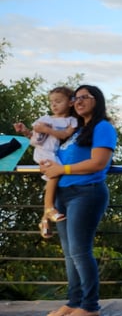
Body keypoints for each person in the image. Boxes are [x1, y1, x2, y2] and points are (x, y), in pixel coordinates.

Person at [39, 85, 117, 316]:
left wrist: (63, 168)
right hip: (64, 193)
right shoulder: (75, 130)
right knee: (69, 253)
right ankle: (74, 302)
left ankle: (90, 304)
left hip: (86, 193)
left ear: (98, 100)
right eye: (76, 97)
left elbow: (98, 163)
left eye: (86, 97)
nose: (79, 101)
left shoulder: (103, 127)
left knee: (80, 251)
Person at [13, 86, 78, 237]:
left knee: (53, 181)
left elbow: (64, 135)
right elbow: (36, 139)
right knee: (55, 174)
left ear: (70, 103)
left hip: (53, 153)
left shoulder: (71, 120)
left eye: (58, 101)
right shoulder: (44, 119)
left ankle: (44, 221)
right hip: (43, 153)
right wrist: (25, 131)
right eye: (52, 102)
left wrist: (47, 130)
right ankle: (49, 208)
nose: (54, 105)